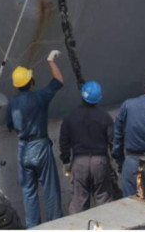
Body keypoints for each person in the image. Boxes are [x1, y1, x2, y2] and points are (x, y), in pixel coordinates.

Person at [6, 50, 65, 228]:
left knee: (28, 193)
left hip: (23, 149)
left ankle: (33, 228)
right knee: (51, 189)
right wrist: (50, 61)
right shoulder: (40, 97)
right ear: (31, 82)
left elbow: (9, 125)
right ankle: (55, 226)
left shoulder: (12, 104)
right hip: (40, 146)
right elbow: (58, 82)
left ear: (17, 86)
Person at [59, 80, 117, 214]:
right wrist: (115, 161)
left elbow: (64, 142)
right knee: (104, 201)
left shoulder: (70, 117)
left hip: (79, 163)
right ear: (98, 98)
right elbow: (113, 141)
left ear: (82, 95)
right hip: (100, 162)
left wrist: (66, 161)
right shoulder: (105, 117)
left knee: (78, 203)